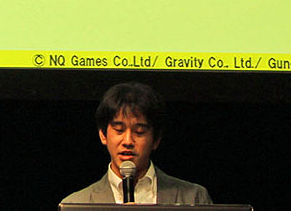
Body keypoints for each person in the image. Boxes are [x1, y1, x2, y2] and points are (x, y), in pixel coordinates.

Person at [61, 82, 212, 206]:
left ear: (156, 139)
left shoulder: (193, 198)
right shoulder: (76, 204)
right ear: (103, 135)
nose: (128, 141)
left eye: (139, 132)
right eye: (119, 130)